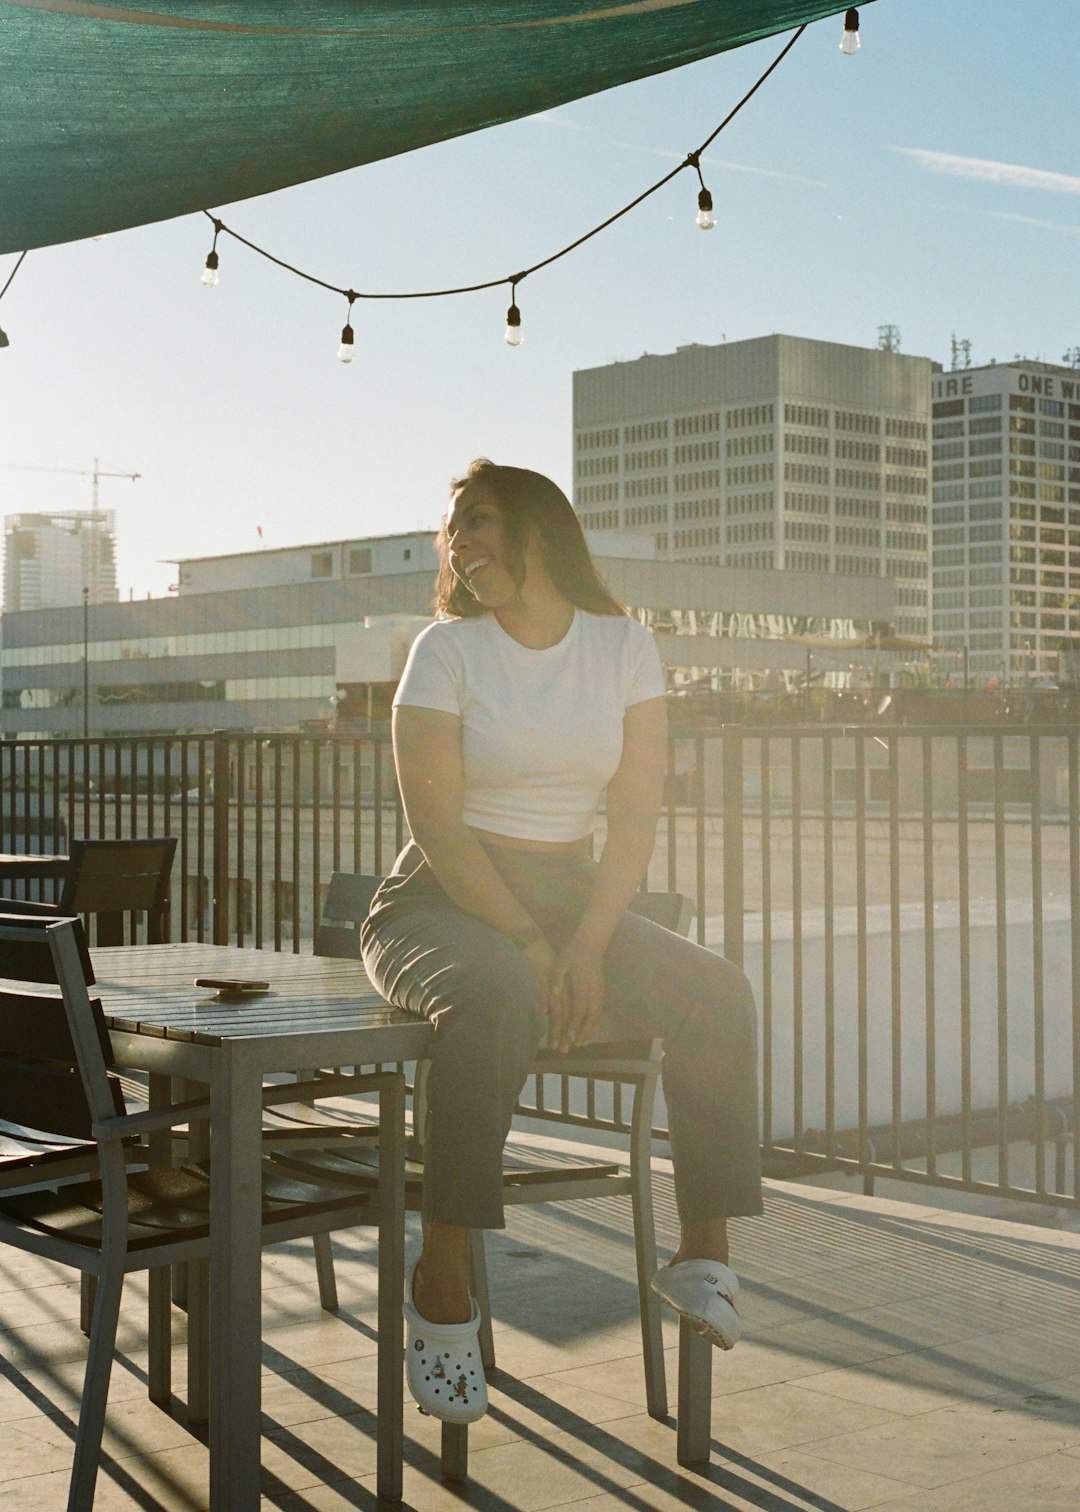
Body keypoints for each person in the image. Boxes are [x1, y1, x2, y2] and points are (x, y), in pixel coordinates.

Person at [360, 459, 763, 1424]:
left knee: (718, 994)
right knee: (495, 996)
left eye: (482, 522)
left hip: (570, 893)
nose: (463, 545)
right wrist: (533, 949)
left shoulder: (624, 647)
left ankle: (703, 1252)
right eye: (454, 530)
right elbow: (442, 828)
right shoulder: (444, 652)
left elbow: (632, 821)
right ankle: (443, 1279)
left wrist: (581, 947)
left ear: (543, 531)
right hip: (438, 900)